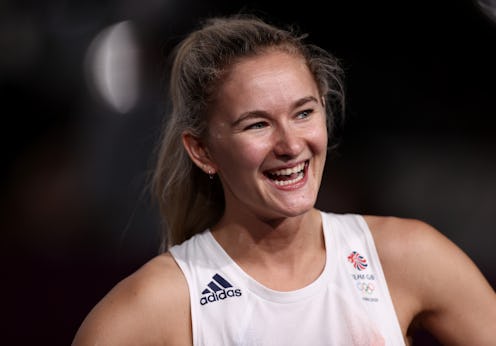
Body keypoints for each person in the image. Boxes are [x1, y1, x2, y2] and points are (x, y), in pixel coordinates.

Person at [72, 14, 496, 345]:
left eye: (304, 113)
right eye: (257, 124)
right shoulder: (159, 301)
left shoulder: (404, 256)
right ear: (202, 151)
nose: (291, 144)